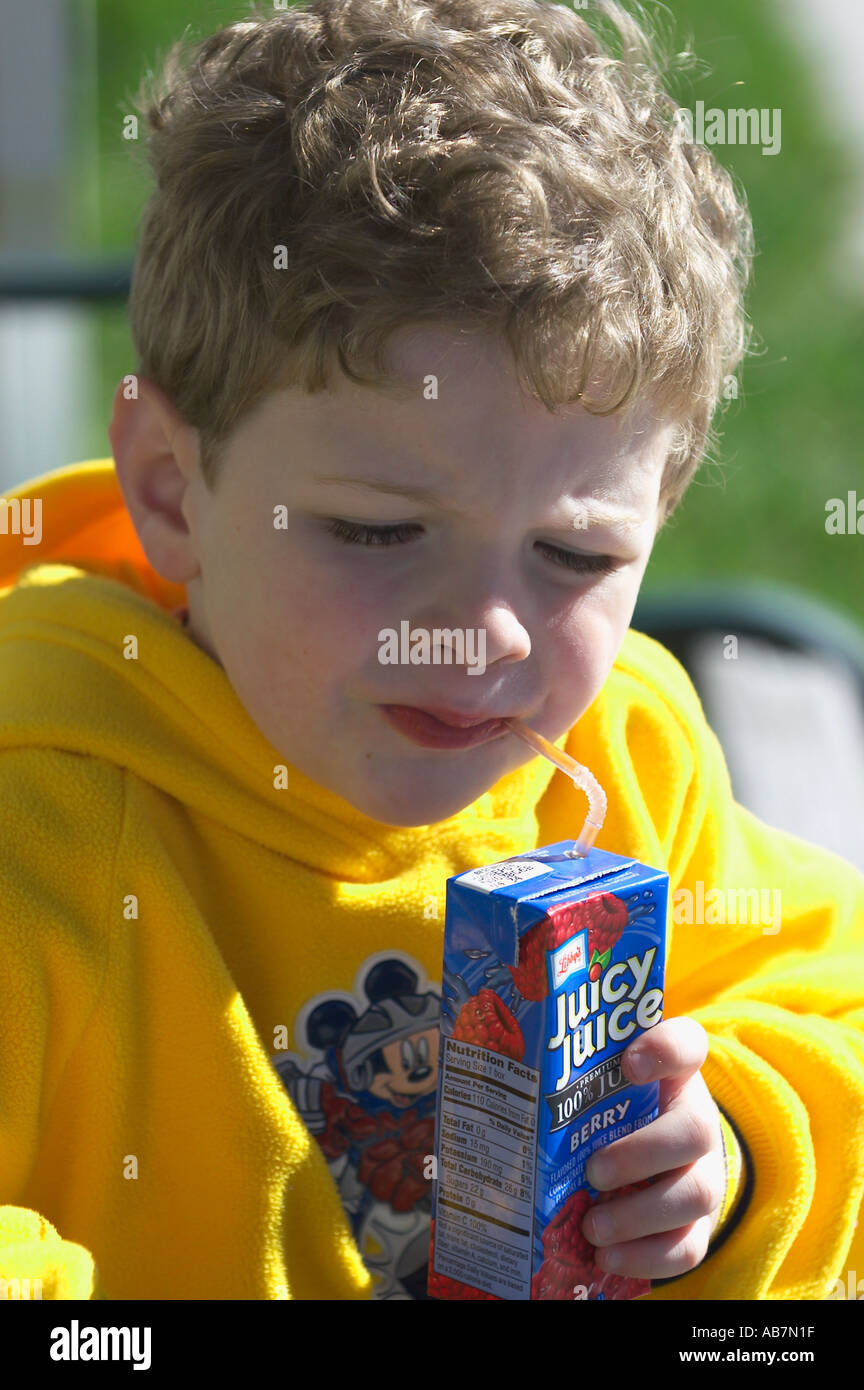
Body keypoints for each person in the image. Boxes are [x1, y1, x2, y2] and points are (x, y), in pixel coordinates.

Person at [1, 0, 862, 1302]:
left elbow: (827, 1002)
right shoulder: (43, 810)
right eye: (380, 531)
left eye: (574, 556)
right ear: (175, 492)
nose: (487, 630)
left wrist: (734, 1156)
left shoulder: (619, 754)